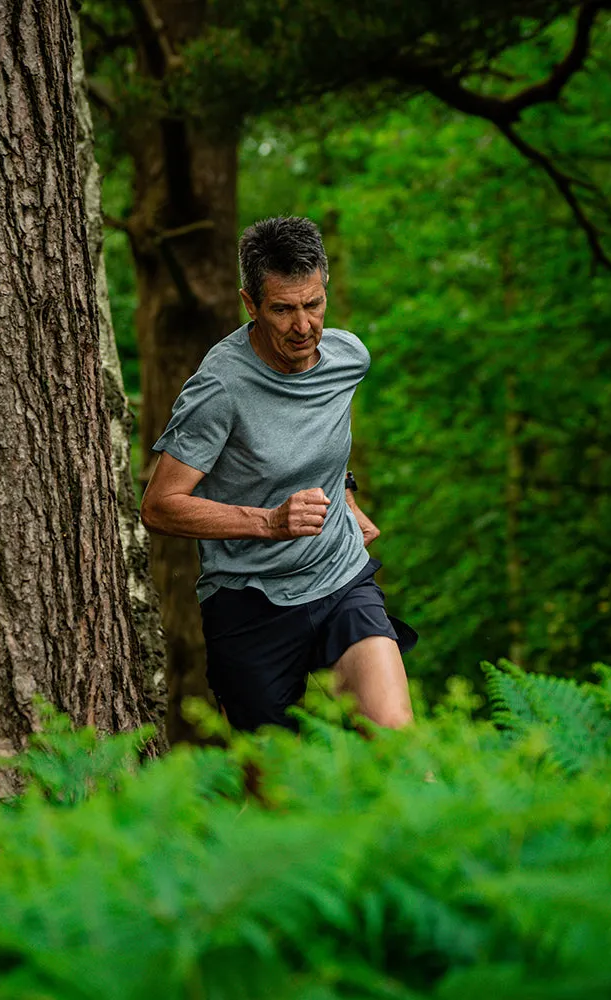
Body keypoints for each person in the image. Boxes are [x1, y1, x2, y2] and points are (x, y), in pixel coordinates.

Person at [140, 216, 415, 733]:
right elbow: (158, 506)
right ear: (251, 304)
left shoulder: (347, 358)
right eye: (283, 309)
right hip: (250, 600)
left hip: (338, 577)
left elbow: (317, 436)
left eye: (313, 304)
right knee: (272, 794)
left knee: (395, 737)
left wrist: (346, 496)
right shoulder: (219, 388)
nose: (303, 326)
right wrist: (269, 522)